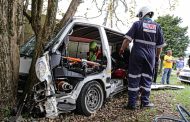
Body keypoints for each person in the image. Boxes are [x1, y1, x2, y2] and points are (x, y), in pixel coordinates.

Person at [119, 6, 165, 110]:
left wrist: (122, 49)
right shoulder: (157, 26)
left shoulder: (137, 24)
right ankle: (145, 102)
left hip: (137, 54)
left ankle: (132, 104)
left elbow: (127, 40)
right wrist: (156, 57)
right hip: (150, 56)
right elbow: (159, 47)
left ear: (141, 14)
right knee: (147, 78)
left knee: (134, 78)